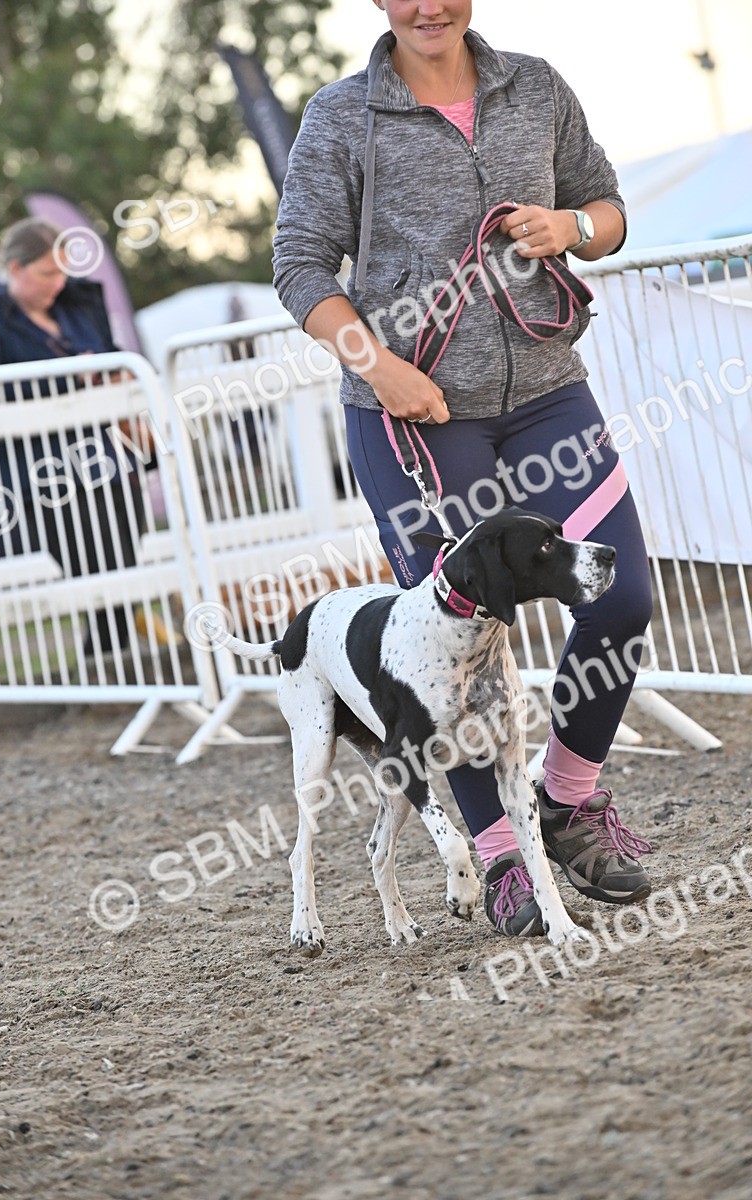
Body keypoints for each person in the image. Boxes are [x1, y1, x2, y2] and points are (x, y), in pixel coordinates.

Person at [273, 0, 654, 937]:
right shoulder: (340, 115)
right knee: (449, 657)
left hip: (548, 396)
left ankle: (564, 797)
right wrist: (380, 365)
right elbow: (299, 265)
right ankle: (501, 863)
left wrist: (572, 226)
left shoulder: (535, 85)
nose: (426, 6)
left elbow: (608, 211)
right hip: (416, 415)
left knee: (622, 595)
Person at [0, 217, 146, 654]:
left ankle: (110, 661)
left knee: (123, 563)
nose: (57, 283)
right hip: (38, 475)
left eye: (62, 272)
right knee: (92, 570)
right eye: (46, 273)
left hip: (106, 461)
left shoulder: (76, 306)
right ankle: (109, 662)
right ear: (15, 269)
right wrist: (75, 383)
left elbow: (112, 358)